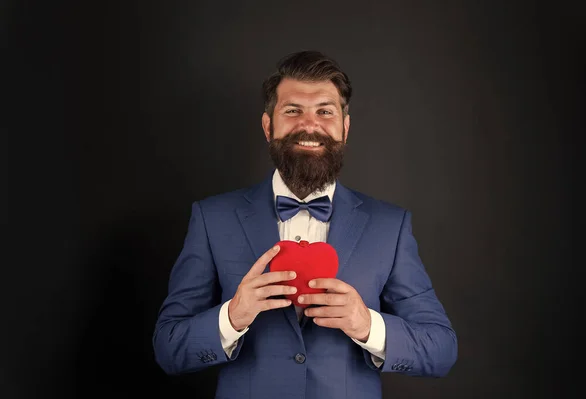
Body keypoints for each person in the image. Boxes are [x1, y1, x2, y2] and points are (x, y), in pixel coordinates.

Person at [152, 50, 457, 399]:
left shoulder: (390, 226)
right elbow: (168, 348)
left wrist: (367, 325)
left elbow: (441, 350)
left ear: (345, 127)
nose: (309, 125)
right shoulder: (212, 218)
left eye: (325, 111)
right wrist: (232, 317)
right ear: (269, 126)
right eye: (292, 111)